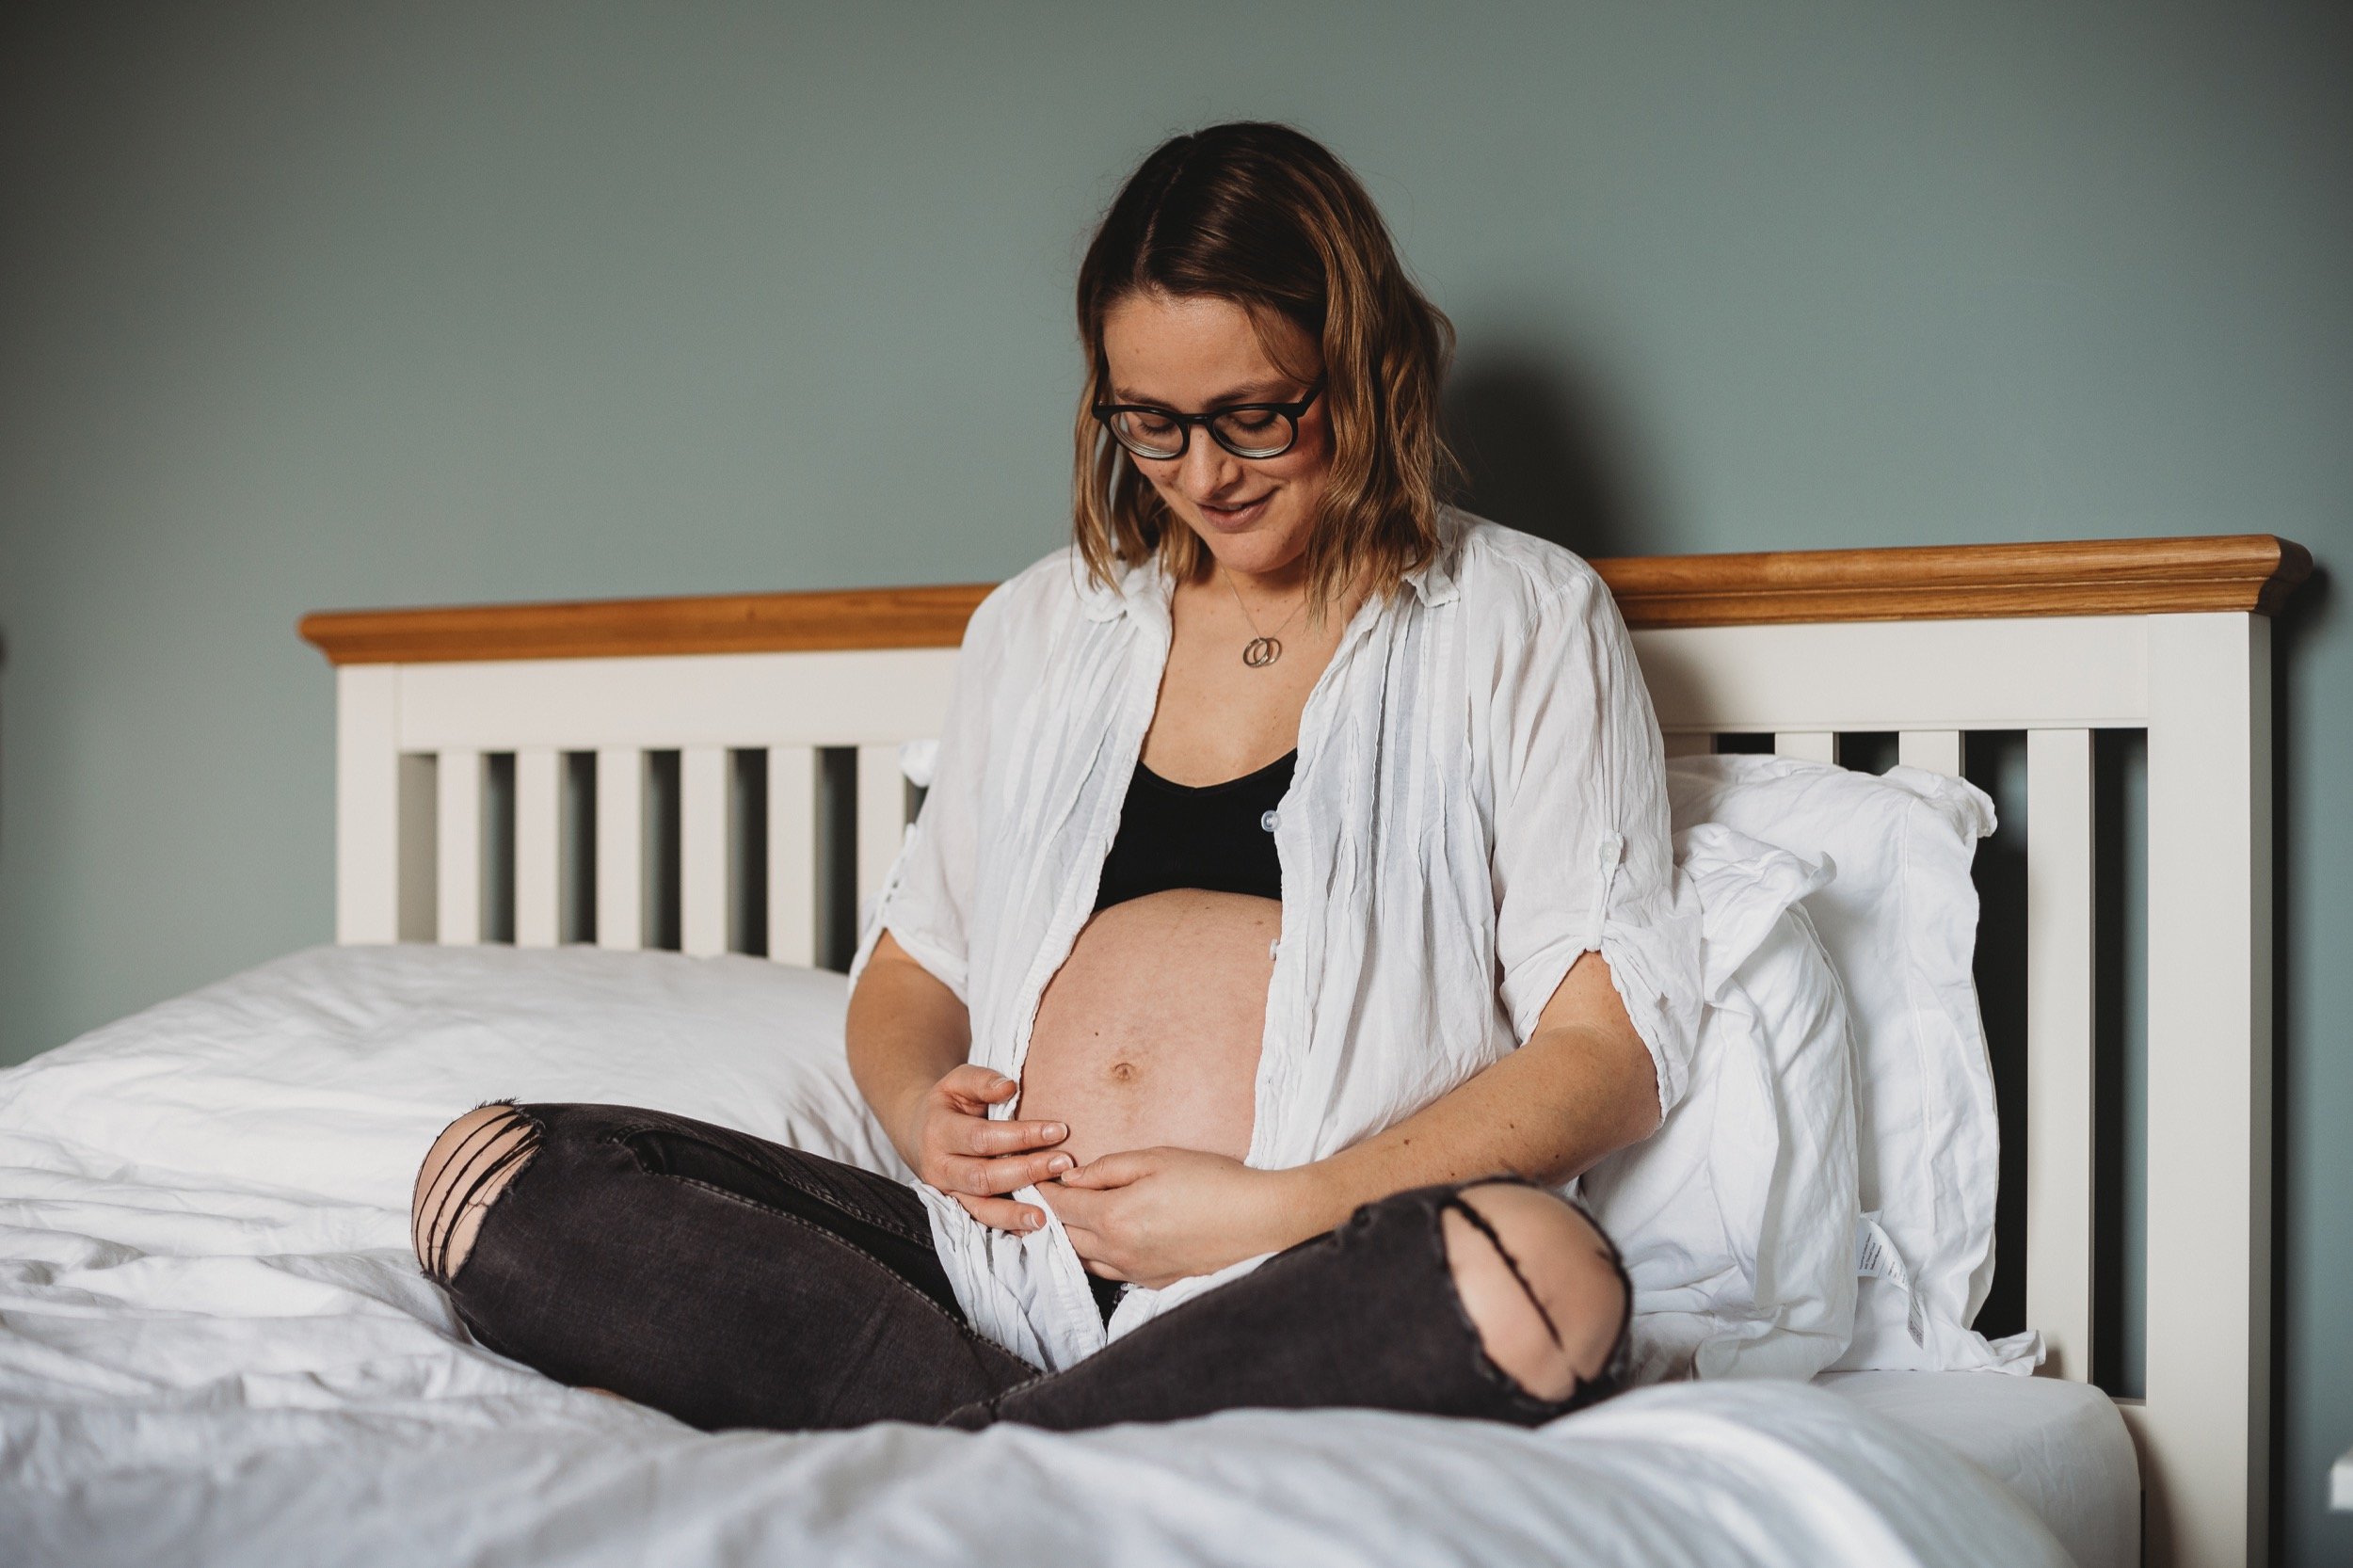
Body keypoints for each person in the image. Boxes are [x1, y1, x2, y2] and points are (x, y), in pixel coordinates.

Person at [408, 121, 1701, 1434]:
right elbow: (912, 972)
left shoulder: (1523, 618)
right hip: (988, 1270)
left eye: (1255, 415)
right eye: (1153, 423)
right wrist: (921, 1113)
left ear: (1361, 365)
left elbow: (1608, 1052)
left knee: (1541, 1277)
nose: (1203, 473)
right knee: (498, 1179)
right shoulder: (1036, 631)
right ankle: (1065, 1433)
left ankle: (959, 1442)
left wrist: (1280, 1204)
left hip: (1316, 1259)